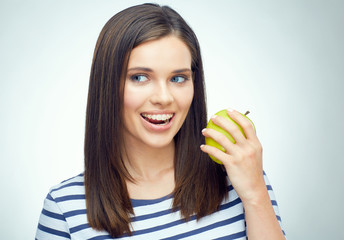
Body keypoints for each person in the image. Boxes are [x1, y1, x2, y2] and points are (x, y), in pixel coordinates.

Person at [36, 3, 286, 239]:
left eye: (178, 79)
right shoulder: (64, 208)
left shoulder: (240, 177)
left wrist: (254, 194)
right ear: (108, 85)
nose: (164, 98)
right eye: (140, 77)